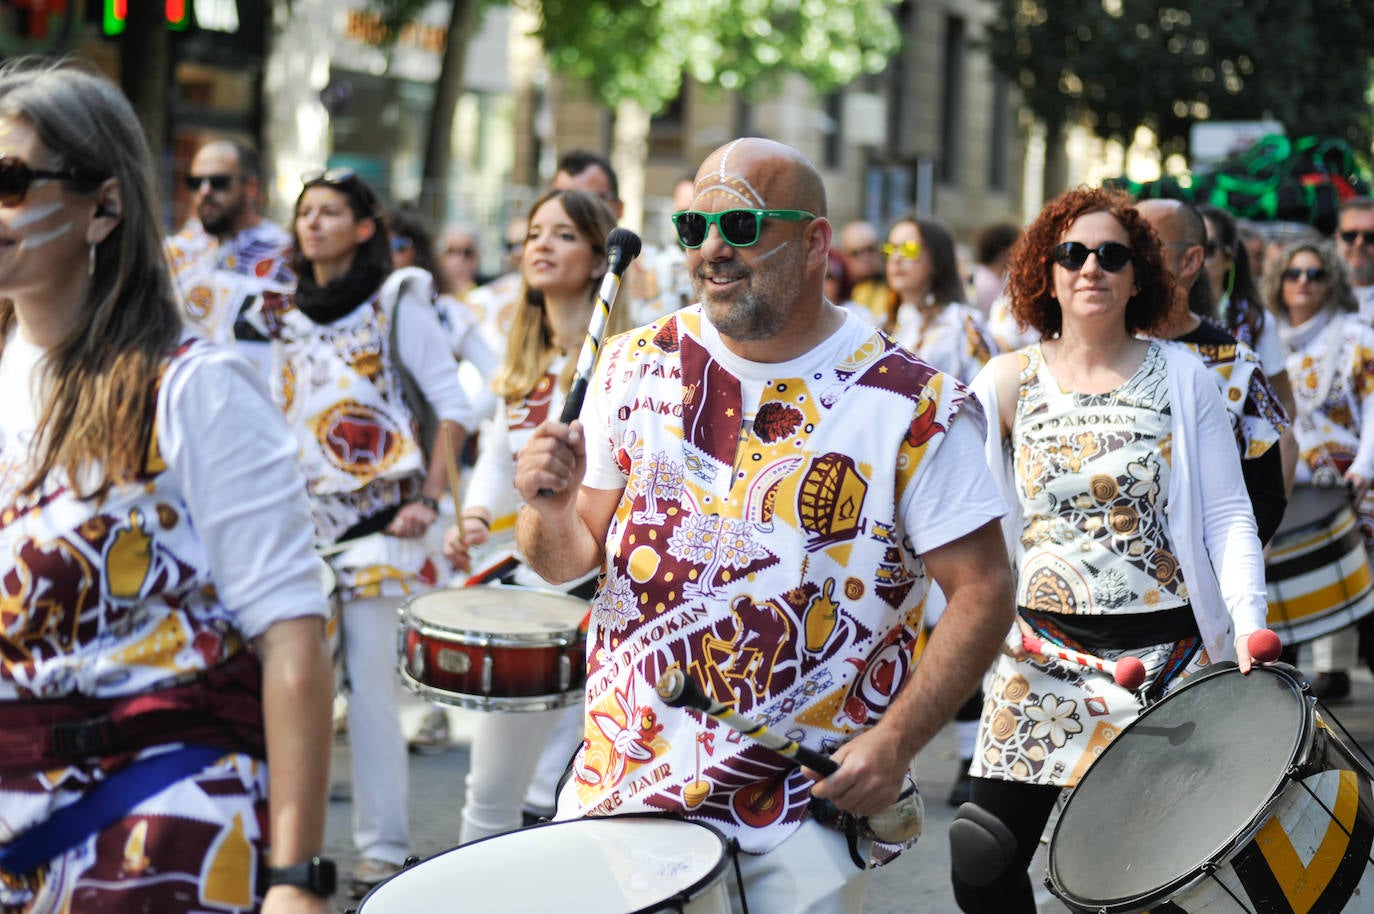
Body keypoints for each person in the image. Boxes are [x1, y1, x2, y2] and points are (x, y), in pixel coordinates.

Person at [514, 137, 1015, 914]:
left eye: (742, 228)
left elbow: (984, 589)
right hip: (621, 785)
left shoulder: (913, 404)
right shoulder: (632, 361)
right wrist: (545, 509)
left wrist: (895, 743)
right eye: (693, 229)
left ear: (815, 242)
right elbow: (568, 558)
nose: (712, 251)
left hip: (799, 811)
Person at [0, 59, 334, 912]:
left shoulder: (194, 388)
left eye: (9, 181)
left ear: (103, 207)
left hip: (156, 825)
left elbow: (292, 636)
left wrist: (295, 881)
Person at [955, 187, 1267, 913]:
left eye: (1111, 255)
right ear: (1047, 271)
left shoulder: (1186, 376)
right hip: (1038, 655)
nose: (1090, 267)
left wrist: (1247, 617)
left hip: (1164, 659)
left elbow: (1227, 513)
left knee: (1151, 876)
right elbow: (957, 521)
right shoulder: (1006, 381)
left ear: (1137, 276)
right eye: (1073, 253)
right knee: (981, 857)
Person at [246, 169, 477, 898]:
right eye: (305, 212)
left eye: (331, 212)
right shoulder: (276, 310)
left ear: (366, 226)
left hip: (382, 523)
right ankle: (284, 853)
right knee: (287, 694)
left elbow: (452, 407)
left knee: (374, 697)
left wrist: (429, 501)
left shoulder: (396, 298)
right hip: (294, 529)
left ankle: (385, 850)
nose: (313, 224)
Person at [442, 188, 630, 842]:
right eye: (533, 234)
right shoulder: (523, 358)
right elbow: (500, 452)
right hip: (528, 587)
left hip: (607, 595)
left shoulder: (629, 360)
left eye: (564, 234)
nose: (542, 245)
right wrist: (473, 514)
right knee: (489, 790)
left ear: (601, 254)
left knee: (579, 796)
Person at [1136, 199, 1292, 544]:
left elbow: (1266, 496)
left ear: (1190, 260)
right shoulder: (1094, 351)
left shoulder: (1234, 364)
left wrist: (1213, 571)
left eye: (1145, 245)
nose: (1127, 259)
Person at [1263, 239, 1374, 700]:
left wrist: (1365, 468)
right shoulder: (1265, 342)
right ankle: (1287, 724)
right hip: (1289, 498)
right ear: (1279, 283)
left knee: (1367, 613)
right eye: (1294, 273)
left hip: (1352, 493)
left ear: (1331, 281)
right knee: (1286, 622)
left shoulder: (1356, 335)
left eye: (1315, 273)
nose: (1304, 282)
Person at [165, 137, 294, 383]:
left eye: (219, 182)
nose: (205, 192)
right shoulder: (176, 252)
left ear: (251, 188)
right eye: (195, 183)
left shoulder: (284, 255)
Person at [883, 215, 998, 384]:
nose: (896, 258)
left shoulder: (962, 322)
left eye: (908, 249)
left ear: (937, 258)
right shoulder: (882, 325)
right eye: (890, 249)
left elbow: (986, 392)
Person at [839, 220, 889, 324]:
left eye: (870, 249)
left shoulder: (893, 288)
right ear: (844, 255)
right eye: (856, 253)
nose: (865, 257)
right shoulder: (835, 289)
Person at [969, 222, 1020, 318]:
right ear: (1004, 253)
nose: (1019, 255)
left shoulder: (993, 278)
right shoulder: (986, 283)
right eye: (1016, 249)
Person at [1336, 196, 1374, 324]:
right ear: (1337, 237)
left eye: (1370, 237)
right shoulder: (1314, 284)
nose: (1359, 243)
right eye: (1350, 236)